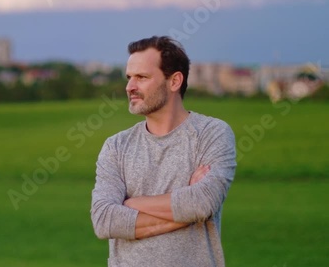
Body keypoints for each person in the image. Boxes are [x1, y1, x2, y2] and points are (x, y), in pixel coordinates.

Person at [90, 36, 236, 267]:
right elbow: (104, 220)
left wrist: (130, 203)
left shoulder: (212, 133)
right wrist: (186, 211)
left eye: (142, 77)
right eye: (129, 77)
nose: (130, 87)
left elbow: (202, 203)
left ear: (175, 81)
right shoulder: (116, 146)